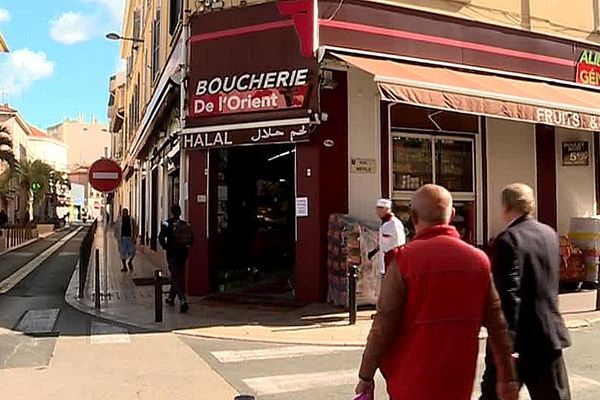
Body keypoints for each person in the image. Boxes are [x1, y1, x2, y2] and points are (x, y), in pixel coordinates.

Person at [355, 184, 518, 400]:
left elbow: (384, 325)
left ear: (413, 217)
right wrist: (507, 377)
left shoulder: (404, 261)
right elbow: (498, 326)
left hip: (409, 382)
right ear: (451, 215)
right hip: (457, 383)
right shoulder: (479, 261)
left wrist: (366, 374)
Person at [479, 183, 572, 400]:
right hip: (548, 334)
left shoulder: (508, 240)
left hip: (519, 338)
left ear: (505, 207)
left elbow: (508, 296)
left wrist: (505, 345)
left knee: (494, 395)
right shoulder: (549, 234)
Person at [159, 204, 194, 313]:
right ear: (180, 212)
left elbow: (160, 237)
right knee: (177, 275)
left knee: (174, 277)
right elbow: (192, 240)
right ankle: (170, 298)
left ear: (171, 212)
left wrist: (165, 247)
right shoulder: (185, 224)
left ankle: (182, 300)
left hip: (172, 253)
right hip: (183, 253)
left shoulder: (166, 223)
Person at [368, 199, 406, 278]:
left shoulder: (394, 224)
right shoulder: (384, 224)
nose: (377, 213)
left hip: (392, 264)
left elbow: (400, 244)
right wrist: (374, 251)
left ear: (385, 210)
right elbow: (384, 242)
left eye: (379, 210)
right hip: (384, 264)